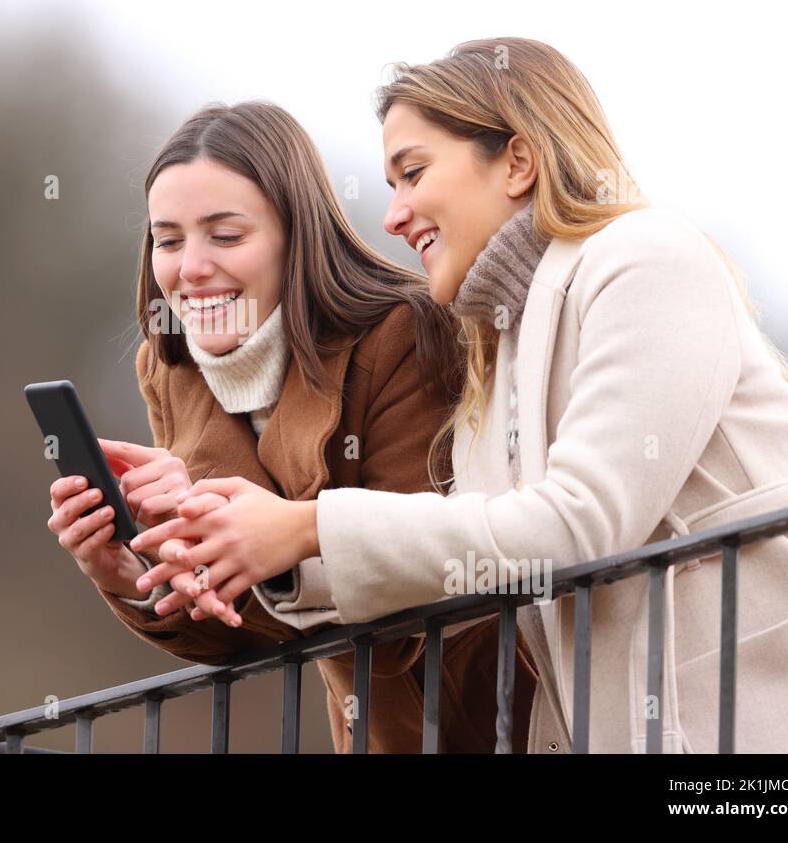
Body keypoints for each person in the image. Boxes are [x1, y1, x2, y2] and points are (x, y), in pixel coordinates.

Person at [133, 39, 788, 753]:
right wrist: (214, 549)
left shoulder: (644, 257)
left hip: (778, 719)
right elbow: (465, 573)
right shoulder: (493, 355)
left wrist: (305, 526)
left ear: (516, 161)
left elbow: (577, 525)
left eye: (412, 173)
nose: (393, 215)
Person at [45, 100, 538, 752]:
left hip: (497, 721)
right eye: (168, 239)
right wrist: (136, 572)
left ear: (295, 235)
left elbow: (415, 576)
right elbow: (244, 631)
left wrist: (257, 537)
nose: (190, 268)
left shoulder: (404, 334)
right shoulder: (169, 369)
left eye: (225, 236)